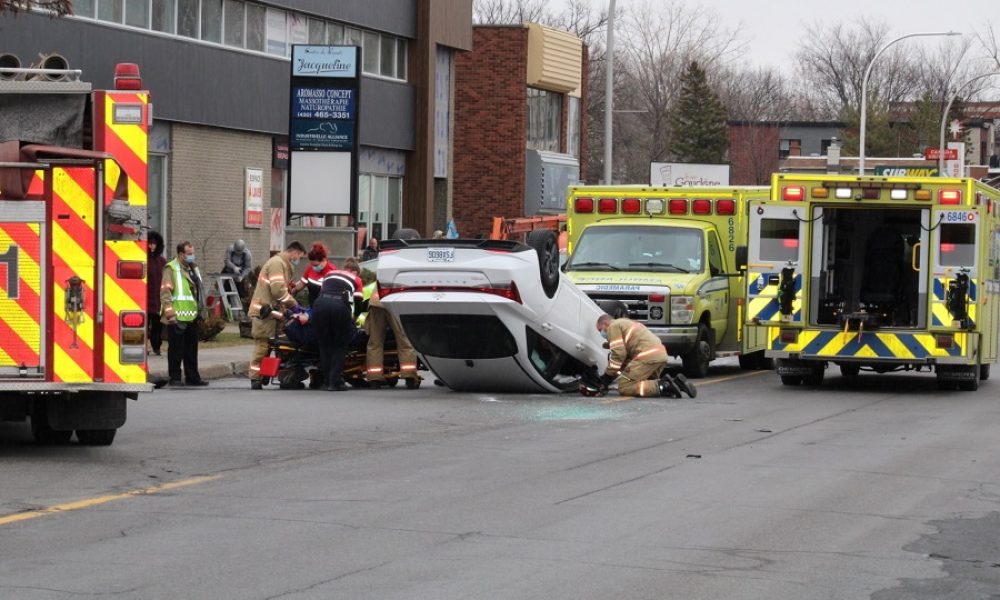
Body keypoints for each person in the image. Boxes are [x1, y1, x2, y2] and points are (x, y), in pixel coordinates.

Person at [591, 314, 697, 398]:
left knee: (624, 387)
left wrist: (607, 377)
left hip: (647, 355)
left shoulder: (613, 326)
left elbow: (618, 354)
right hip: (660, 354)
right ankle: (676, 383)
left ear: (605, 323)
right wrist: (613, 375)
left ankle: (665, 386)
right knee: (645, 383)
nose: (601, 333)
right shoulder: (626, 323)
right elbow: (625, 360)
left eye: (600, 330)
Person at [247, 241, 306, 390]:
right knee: (262, 345)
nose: (298, 259)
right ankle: (256, 378)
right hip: (263, 312)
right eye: (299, 256)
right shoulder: (277, 264)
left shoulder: (283, 265)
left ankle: (266, 374)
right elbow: (278, 291)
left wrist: (287, 309)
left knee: (275, 346)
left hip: (272, 313)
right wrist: (294, 305)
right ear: (294, 252)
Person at [160, 241, 208, 387]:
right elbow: (165, 291)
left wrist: (201, 311)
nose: (192, 256)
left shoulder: (193, 268)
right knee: (176, 350)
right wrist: (169, 313)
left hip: (191, 315)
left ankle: (192, 377)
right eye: (189, 254)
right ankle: (175, 377)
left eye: (193, 253)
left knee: (191, 349)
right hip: (177, 316)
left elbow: (197, 292)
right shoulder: (171, 268)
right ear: (181, 254)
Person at [311, 258, 364, 391]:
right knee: (340, 345)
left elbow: (319, 292)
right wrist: (355, 318)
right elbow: (358, 302)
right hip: (339, 308)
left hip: (320, 306)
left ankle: (326, 380)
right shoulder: (356, 279)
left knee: (325, 344)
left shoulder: (330, 274)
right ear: (354, 271)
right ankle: (335, 382)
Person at [365, 284, 419, 389]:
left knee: (375, 343)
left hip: (376, 303)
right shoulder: (408, 271)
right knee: (404, 342)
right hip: (395, 304)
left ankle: (374, 379)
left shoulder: (387, 269)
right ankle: (410, 377)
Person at [291, 242, 337, 306]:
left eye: (316, 265)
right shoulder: (310, 268)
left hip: (325, 308)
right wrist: (291, 293)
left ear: (324, 260)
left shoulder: (332, 272)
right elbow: (301, 284)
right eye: (312, 265)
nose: (314, 267)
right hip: (312, 305)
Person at [146, 230, 167, 356]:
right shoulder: (144, 259)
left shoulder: (162, 261)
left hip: (158, 300)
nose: (152, 246)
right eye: (150, 244)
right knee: (145, 325)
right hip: (146, 299)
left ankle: (156, 346)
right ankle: (145, 346)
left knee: (157, 326)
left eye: (154, 244)